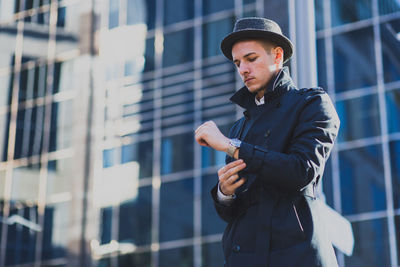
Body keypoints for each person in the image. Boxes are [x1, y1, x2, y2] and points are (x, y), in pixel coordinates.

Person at [194, 17, 340, 267]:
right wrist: (225, 193)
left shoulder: (312, 103)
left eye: (251, 59)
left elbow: (301, 171)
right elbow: (232, 212)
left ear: (277, 57)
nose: (243, 69)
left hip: (297, 257)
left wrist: (232, 147)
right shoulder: (240, 126)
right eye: (238, 63)